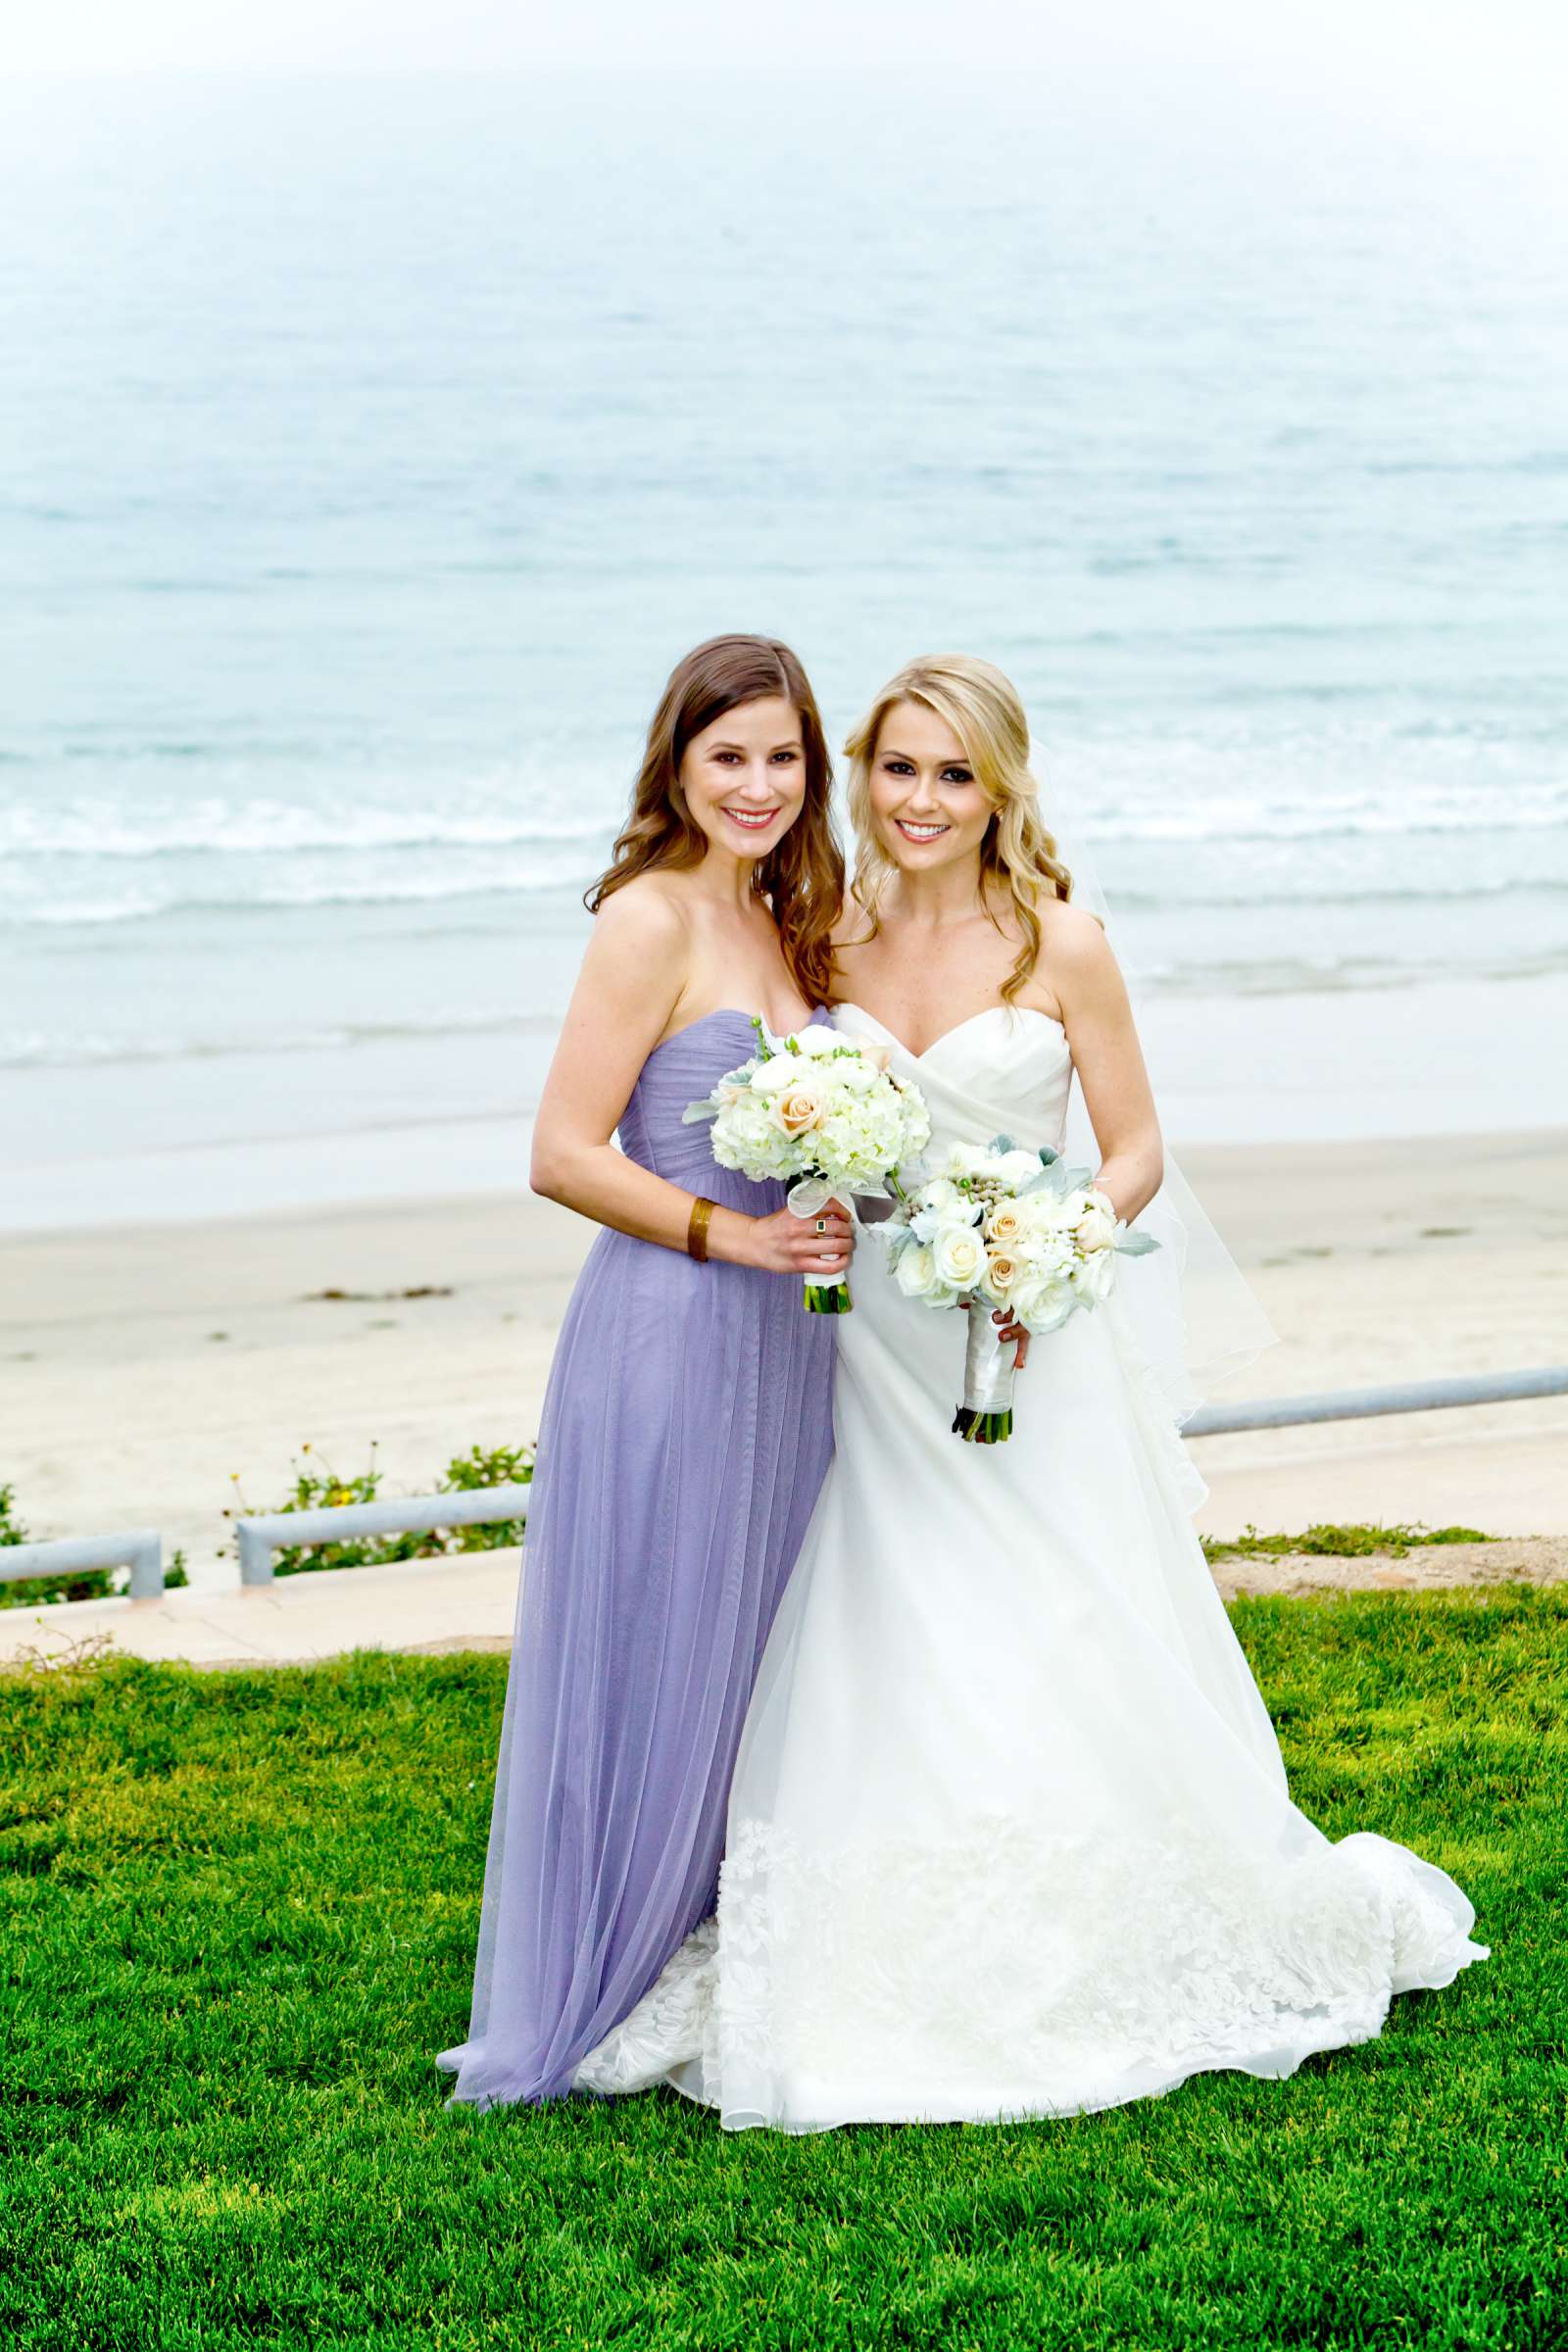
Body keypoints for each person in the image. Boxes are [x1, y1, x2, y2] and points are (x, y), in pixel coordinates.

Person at [575, 653, 1487, 2128]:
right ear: (860, 777)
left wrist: (1054, 1234)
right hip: (867, 1338)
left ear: (1000, 788)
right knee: (890, 1603)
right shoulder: (820, 935)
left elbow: (1132, 1149)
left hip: (1022, 1331)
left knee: (1054, 1602)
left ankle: (1106, 1917)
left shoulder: (1062, 942)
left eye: (955, 773)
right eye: (897, 768)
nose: (922, 800)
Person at [437, 634, 854, 2109]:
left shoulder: (789, 920)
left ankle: (720, 1951)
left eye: (784, 756)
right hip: (674, 1332)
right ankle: (605, 1964)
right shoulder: (651, 918)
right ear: (675, 762)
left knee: (759, 1652)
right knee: (661, 1645)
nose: (756, 784)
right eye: (727, 754)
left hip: (790, 1351)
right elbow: (560, 1152)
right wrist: (727, 1241)